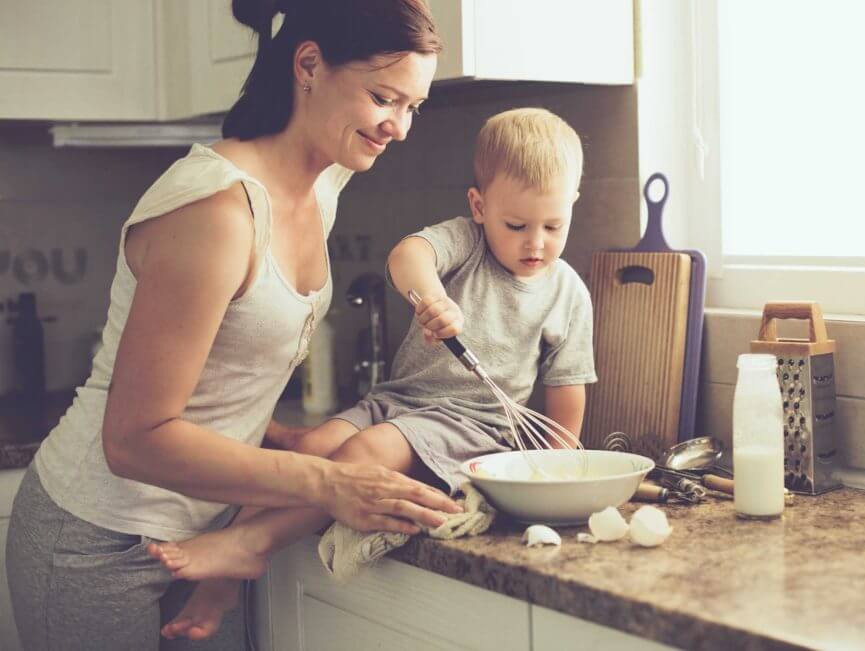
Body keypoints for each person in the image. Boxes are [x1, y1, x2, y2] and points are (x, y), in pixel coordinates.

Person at [4, 0, 464, 649]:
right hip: (95, 541)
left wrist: (279, 435)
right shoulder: (217, 210)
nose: (399, 126)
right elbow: (132, 436)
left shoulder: (325, 179)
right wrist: (327, 481)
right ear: (308, 64)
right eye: (383, 97)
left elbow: (222, 362)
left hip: (209, 531)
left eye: (413, 105)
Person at [146, 106, 598, 632]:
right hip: (399, 401)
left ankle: (252, 541)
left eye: (553, 225)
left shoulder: (568, 293)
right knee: (312, 452)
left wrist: (553, 480)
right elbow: (408, 255)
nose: (535, 242)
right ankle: (220, 585)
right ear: (478, 206)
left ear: (572, 208)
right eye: (516, 225)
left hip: (474, 427)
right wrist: (430, 297)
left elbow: (567, 410)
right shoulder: (465, 243)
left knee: (361, 456)